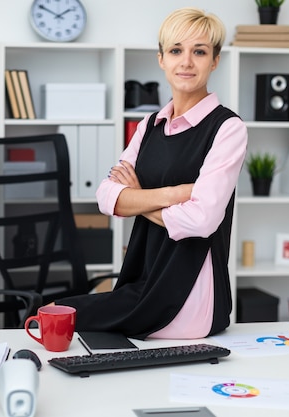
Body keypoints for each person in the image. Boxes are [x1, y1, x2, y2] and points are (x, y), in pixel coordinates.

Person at [54, 7, 248, 340]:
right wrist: (177, 194)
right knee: (54, 313)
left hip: (190, 299)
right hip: (143, 281)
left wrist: (137, 197)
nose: (186, 62)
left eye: (199, 51)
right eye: (176, 51)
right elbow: (107, 197)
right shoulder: (149, 125)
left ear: (214, 61)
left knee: (59, 318)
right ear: (161, 59)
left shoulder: (227, 128)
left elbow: (201, 221)